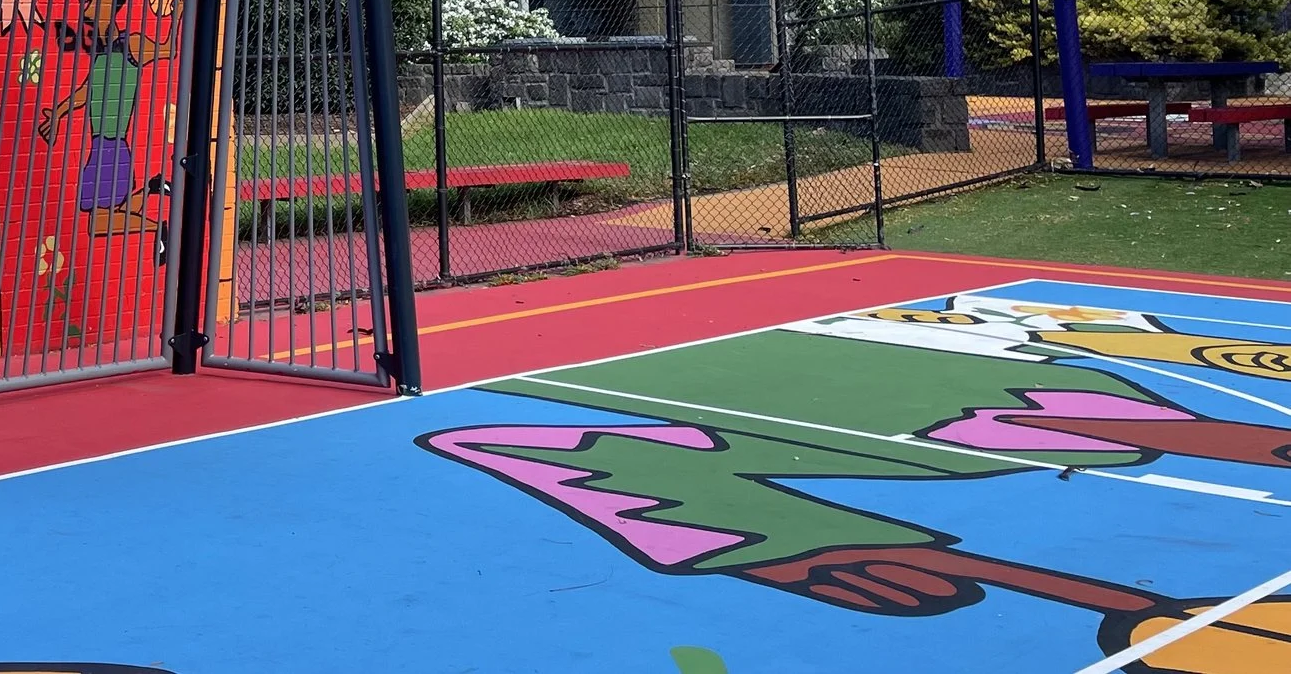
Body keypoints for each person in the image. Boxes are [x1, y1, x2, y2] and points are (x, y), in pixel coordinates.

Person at [421, 294, 1291, 668]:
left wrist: (798, 545)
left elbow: (556, 450)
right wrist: (801, 547)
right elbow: (529, 440)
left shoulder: (1102, 399)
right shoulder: (1089, 389)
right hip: (710, 362)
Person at [37, 0, 173, 236]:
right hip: (101, 148)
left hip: (111, 148)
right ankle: (152, 187)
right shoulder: (104, 50)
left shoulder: (132, 45)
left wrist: (180, 10)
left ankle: (160, 230)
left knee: (98, 223)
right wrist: (59, 113)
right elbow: (89, 90)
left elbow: (169, 48)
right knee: (110, 212)